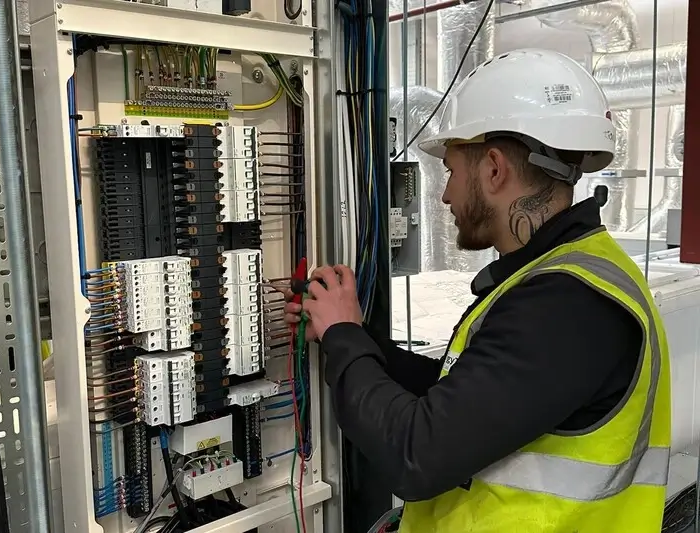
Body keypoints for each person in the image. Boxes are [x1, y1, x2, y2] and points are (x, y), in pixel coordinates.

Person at [284, 48, 671, 532]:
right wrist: (353, 336)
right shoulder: (566, 276)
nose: (444, 194)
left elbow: (416, 454)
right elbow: (462, 398)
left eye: (450, 170)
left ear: (493, 169)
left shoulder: (567, 303)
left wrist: (344, 339)